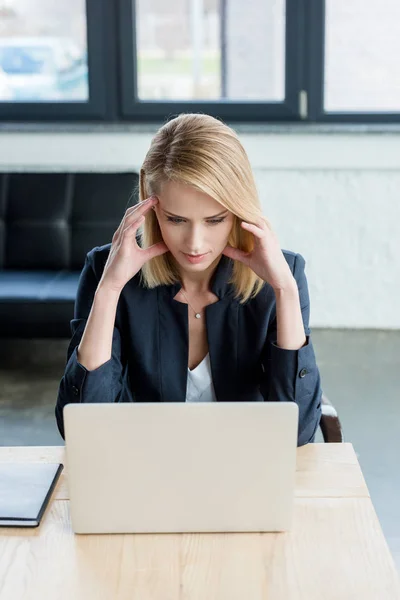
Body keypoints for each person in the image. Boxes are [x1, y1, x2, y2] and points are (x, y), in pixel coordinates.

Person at [55, 113, 322, 445]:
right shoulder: (104, 270)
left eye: (214, 220)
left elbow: (297, 432)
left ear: (239, 212)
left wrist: (285, 291)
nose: (195, 243)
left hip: (244, 464)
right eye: (176, 219)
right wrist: (109, 290)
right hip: (144, 465)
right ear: (150, 208)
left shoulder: (284, 274)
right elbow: (82, 428)